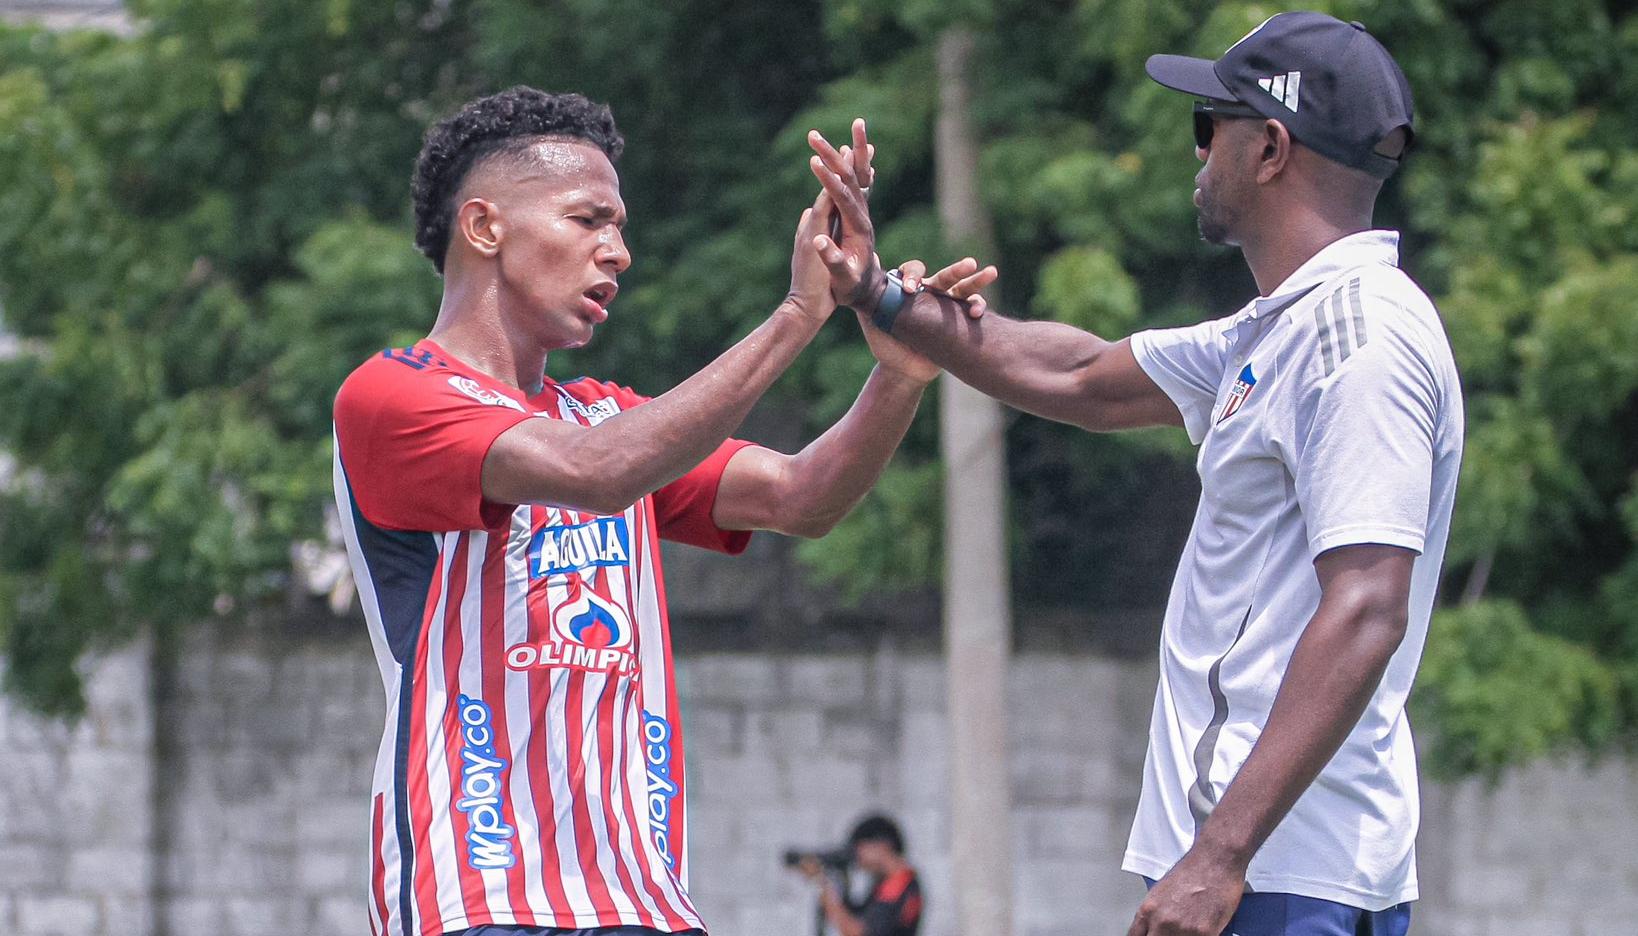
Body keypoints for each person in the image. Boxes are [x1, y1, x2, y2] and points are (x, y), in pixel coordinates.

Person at [808, 12, 1462, 936]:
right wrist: (879, 292)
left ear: (1270, 147)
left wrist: (1220, 856)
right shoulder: (1275, 330)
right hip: (1261, 866)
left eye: (1210, 123)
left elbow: (1365, 609)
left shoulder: (1360, 339)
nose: (1197, 151)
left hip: (1285, 869)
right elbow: (1073, 373)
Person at [332, 87, 957, 936]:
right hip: (480, 897)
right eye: (589, 220)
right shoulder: (392, 396)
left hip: (644, 903)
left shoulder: (603, 414)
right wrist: (798, 314)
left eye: (619, 227)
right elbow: (597, 473)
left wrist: (902, 372)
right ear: (484, 228)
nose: (618, 252)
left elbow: (803, 497)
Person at [795, 815, 924, 936]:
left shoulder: (898, 884)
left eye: (860, 848)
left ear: (882, 846)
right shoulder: (889, 883)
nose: (857, 856)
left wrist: (821, 883)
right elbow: (857, 916)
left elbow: (859, 932)